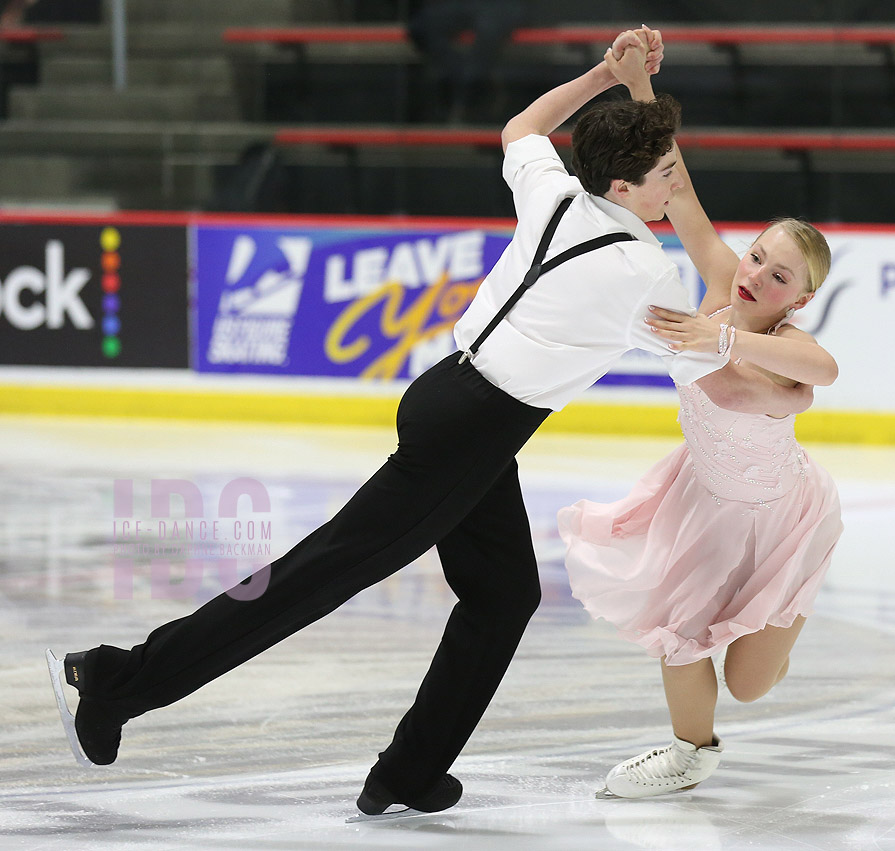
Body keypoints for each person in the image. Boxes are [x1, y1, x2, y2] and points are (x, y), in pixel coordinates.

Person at [47, 28, 812, 817]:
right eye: (662, 175)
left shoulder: (552, 188)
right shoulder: (639, 270)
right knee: (316, 575)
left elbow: (522, 127)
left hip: (451, 398)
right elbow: (707, 359)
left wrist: (605, 77)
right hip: (475, 429)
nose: (674, 184)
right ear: (624, 188)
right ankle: (118, 681)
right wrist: (787, 378)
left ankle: (410, 770)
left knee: (504, 594)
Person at [558, 33, 844, 799]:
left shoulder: (787, 341)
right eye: (757, 256)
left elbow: (824, 371)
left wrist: (722, 338)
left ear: (799, 297)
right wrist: (641, 86)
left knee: (752, 683)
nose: (754, 274)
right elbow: (676, 187)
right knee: (675, 631)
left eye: (777, 274)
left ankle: (784, 617)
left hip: (783, 519)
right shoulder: (721, 279)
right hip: (701, 502)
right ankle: (692, 752)